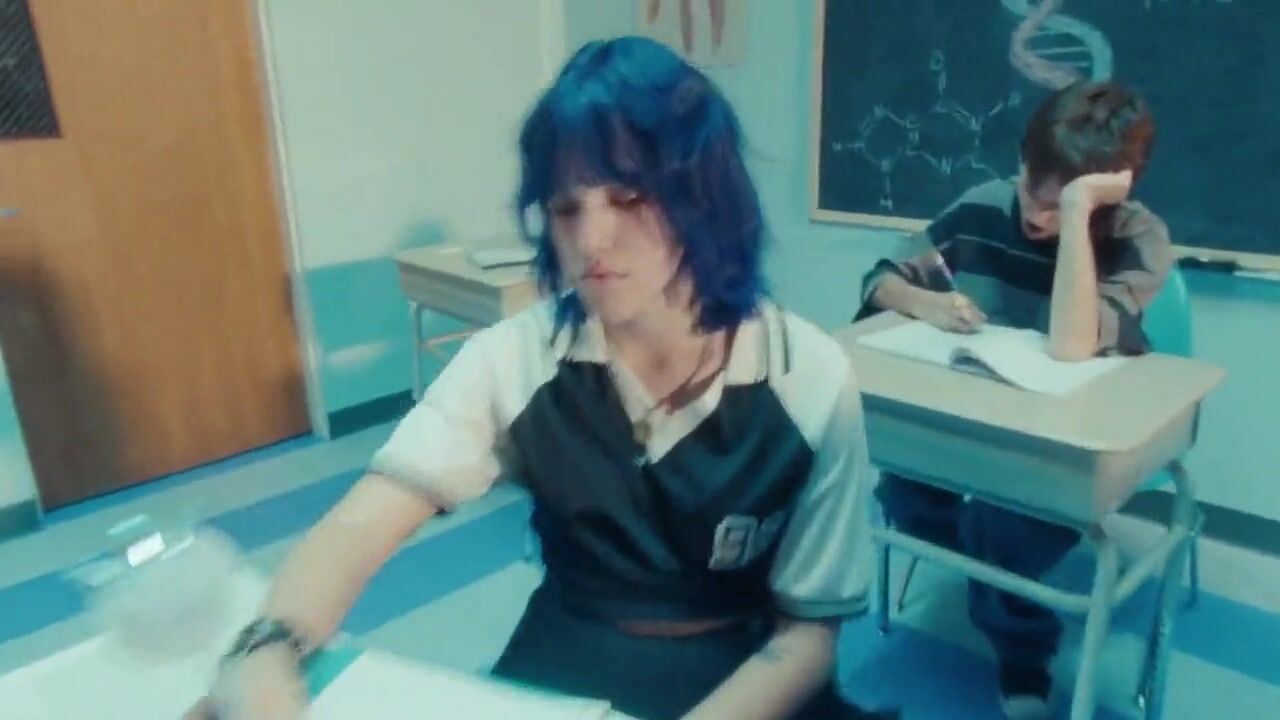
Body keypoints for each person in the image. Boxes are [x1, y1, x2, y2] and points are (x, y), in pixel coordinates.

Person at [188, 37, 892, 720]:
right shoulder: (517, 357)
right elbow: (366, 518)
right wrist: (264, 650)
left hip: (744, 665)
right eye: (565, 207)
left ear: (704, 198)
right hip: (573, 642)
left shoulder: (809, 378)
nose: (590, 239)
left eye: (629, 198)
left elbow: (807, 638)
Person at [853, 80, 1173, 719]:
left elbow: (1072, 346)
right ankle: (993, 581)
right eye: (1031, 187)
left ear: (1107, 193)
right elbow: (881, 279)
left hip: (1068, 442)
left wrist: (1077, 219)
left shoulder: (1138, 236)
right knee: (904, 493)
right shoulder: (984, 204)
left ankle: (1023, 647)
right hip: (973, 420)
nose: (1034, 215)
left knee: (1003, 531)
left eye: (1061, 206)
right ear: (1022, 160)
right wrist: (926, 302)